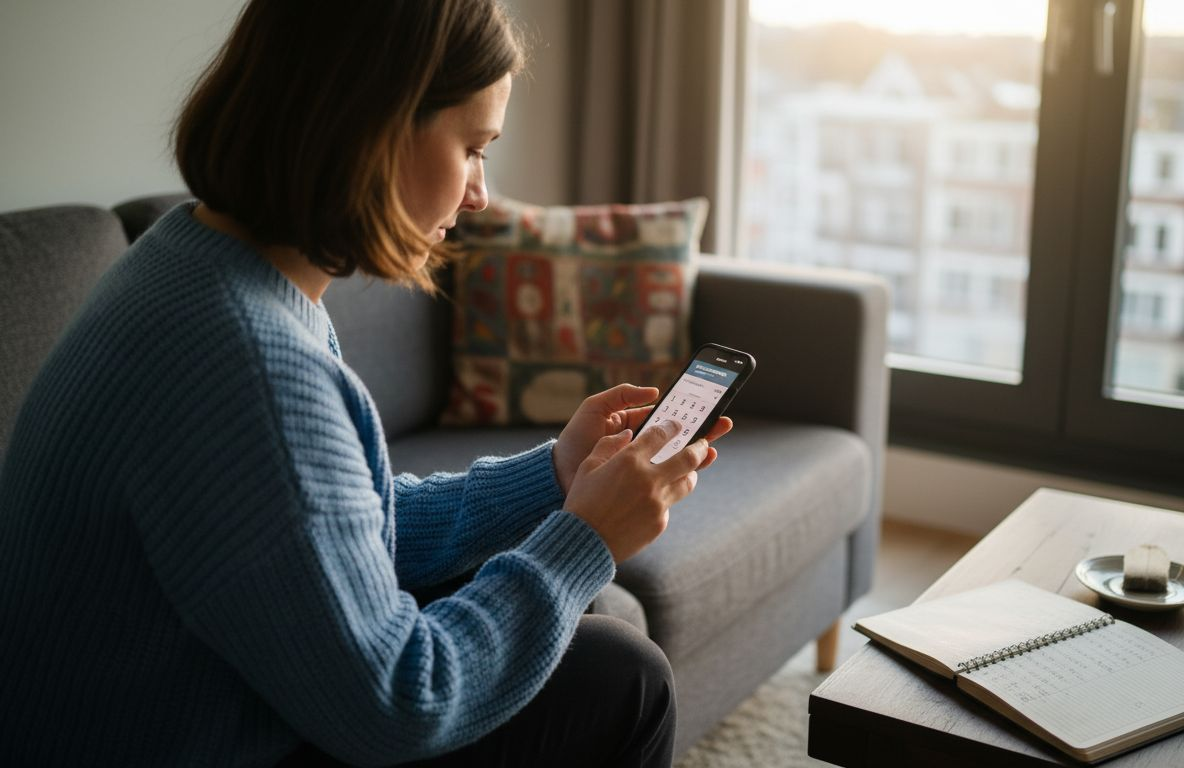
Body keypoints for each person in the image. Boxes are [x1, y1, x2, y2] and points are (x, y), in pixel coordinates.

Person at [0, 1, 730, 766]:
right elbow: (397, 704)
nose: (480, 194)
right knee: (621, 682)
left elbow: (341, 531)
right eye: (474, 148)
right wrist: (583, 540)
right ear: (374, 130)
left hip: (203, 698)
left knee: (588, 640)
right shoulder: (249, 363)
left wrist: (552, 477)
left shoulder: (202, 263)